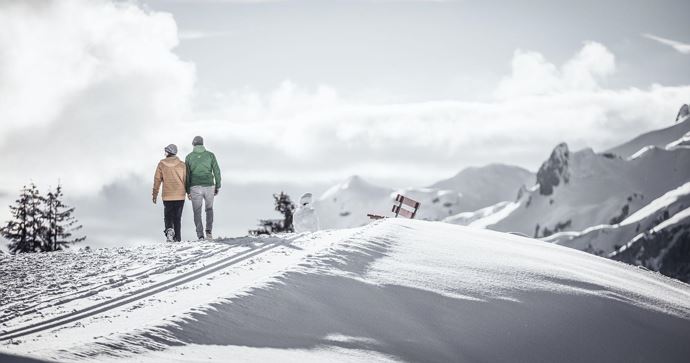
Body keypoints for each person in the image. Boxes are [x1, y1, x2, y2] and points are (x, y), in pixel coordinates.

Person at [185, 136, 221, 240]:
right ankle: (208, 231)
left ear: (193, 144)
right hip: (209, 185)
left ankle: (200, 235)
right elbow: (216, 171)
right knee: (209, 209)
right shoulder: (210, 155)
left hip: (195, 187)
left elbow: (187, 175)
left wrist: (188, 190)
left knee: (197, 211)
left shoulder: (189, 157)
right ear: (202, 144)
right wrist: (217, 185)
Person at [152, 144, 186, 242]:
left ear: (168, 152)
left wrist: (155, 194)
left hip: (167, 195)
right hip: (180, 195)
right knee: (177, 218)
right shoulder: (182, 164)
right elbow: (186, 180)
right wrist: (188, 193)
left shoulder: (161, 164)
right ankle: (178, 239)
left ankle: (169, 230)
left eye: (166, 151)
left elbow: (157, 179)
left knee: (168, 216)